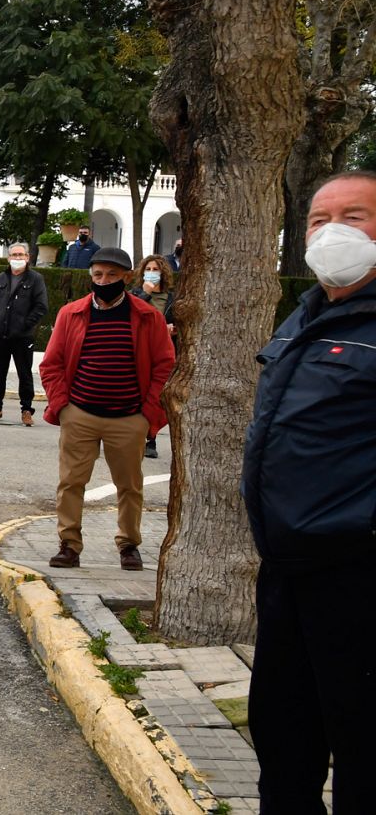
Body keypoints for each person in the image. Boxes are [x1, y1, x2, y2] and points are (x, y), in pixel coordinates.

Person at [242, 171, 376, 813]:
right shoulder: (308, 314)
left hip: (359, 576)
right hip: (290, 573)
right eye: (321, 219)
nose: (334, 231)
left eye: (356, 215)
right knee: (284, 744)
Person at [40, 247, 174, 571]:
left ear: (127, 278)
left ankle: (129, 544)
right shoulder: (71, 314)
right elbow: (51, 365)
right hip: (81, 414)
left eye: (112, 275)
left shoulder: (148, 316)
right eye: (98, 275)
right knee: (71, 482)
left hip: (128, 417)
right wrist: (63, 407)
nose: (104, 281)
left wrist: (147, 414)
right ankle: (69, 544)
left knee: (130, 486)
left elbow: (165, 366)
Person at [0, 243, 49, 426]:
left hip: (23, 337)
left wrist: (25, 324)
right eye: (14, 255)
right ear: (8, 258)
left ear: (27, 257)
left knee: (25, 374)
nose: (17, 258)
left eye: (21, 255)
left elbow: (41, 306)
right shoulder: (1, 278)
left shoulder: (35, 279)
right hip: (0, 334)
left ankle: (26, 410)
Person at [130, 254, 177, 458]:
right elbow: (129, 314)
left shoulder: (172, 299)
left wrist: (173, 329)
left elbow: (182, 324)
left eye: (155, 270)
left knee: (156, 396)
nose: (151, 273)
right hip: (137, 352)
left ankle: (151, 438)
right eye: (148, 269)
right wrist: (145, 293)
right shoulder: (135, 294)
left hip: (161, 352)